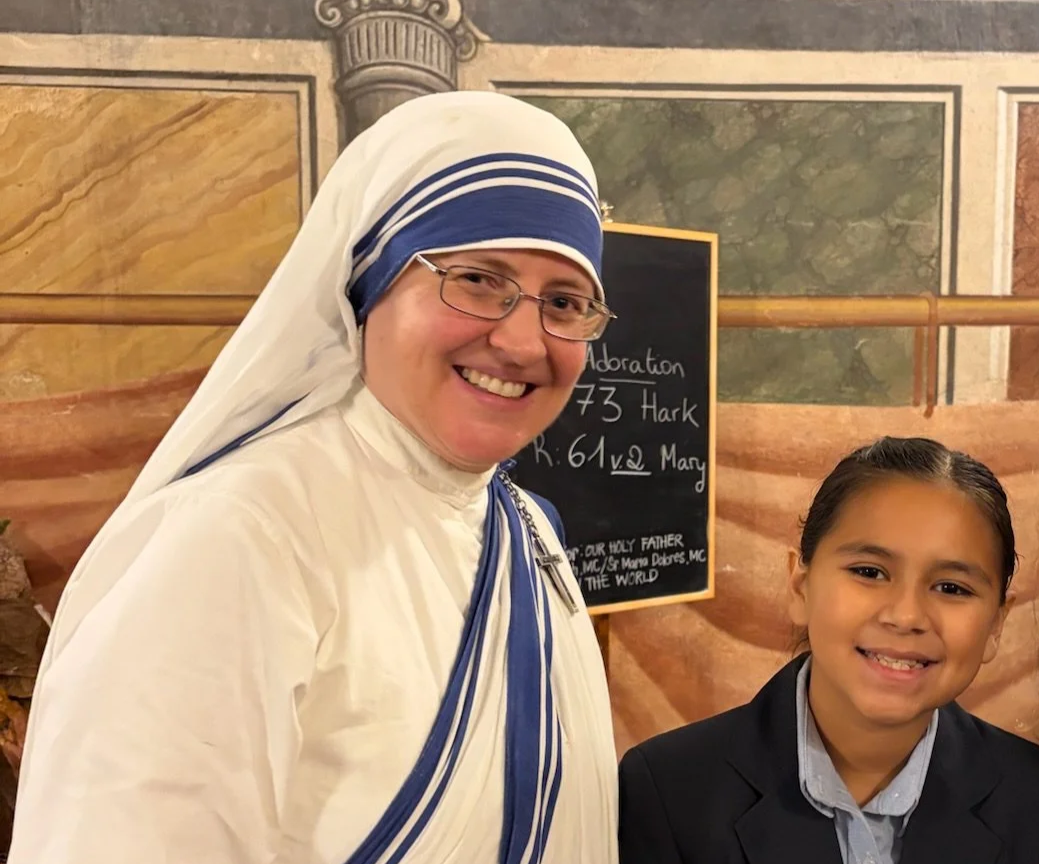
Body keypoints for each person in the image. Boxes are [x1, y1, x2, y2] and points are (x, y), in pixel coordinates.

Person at [10, 91, 620, 863]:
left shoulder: (528, 528)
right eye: (475, 279)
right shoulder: (239, 534)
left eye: (564, 302)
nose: (525, 341)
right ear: (368, 284)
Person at [617, 437, 1039, 864]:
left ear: (996, 623)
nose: (905, 616)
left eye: (951, 587)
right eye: (869, 572)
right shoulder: (669, 794)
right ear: (800, 586)